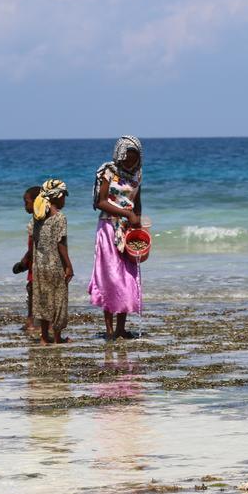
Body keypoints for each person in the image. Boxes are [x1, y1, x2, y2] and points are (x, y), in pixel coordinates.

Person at [88, 135, 144, 340]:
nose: (131, 161)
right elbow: (100, 202)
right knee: (110, 278)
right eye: (128, 156)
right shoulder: (108, 171)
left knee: (127, 279)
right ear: (120, 154)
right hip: (109, 228)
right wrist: (125, 214)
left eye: (135, 157)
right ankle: (110, 330)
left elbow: (137, 201)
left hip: (128, 230)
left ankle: (121, 328)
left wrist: (136, 219)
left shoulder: (137, 174)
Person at [31, 179, 74, 345]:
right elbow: (60, 244)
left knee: (43, 299)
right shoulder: (60, 218)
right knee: (58, 300)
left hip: (39, 265)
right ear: (58, 196)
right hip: (55, 265)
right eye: (64, 197)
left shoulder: (37, 217)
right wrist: (69, 266)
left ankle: (43, 337)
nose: (65, 201)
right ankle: (56, 337)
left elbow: (34, 239)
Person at [13, 186, 42, 333]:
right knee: (37, 291)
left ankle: (32, 322)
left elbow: (33, 247)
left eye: (26, 202)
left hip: (37, 264)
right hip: (39, 263)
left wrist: (24, 262)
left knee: (33, 291)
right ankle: (36, 322)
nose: (25, 206)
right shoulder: (41, 219)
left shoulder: (37, 222)